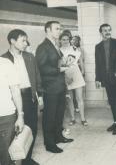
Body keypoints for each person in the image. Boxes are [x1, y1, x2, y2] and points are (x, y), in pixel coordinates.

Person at [2, 29, 43, 165]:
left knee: (32, 129)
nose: (26, 43)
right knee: (16, 132)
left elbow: (37, 77)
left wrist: (40, 95)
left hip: (30, 96)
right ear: (12, 41)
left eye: (26, 40)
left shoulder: (29, 56)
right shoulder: (4, 59)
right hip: (14, 100)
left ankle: (27, 158)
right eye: (22, 40)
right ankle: (14, 160)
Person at [35, 21, 73, 154]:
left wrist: (65, 63)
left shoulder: (55, 45)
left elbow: (55, 63)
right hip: (50, 88)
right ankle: (50, 143)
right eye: (57, 29)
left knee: (59, 114)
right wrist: (59, 69)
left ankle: (58, 136)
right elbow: (42, 68)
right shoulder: (43, 47)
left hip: (60, 86)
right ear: (48, 30)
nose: (59, 31)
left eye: (60, 28)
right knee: (49, 116)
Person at [95, 23, 116, 135]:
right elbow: (98, 64)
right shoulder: (98, 47)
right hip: (106, 78)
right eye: (104, 30)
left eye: (108, 30)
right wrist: (97, 79)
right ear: (101, 32)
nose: (107, 32)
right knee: (112, 101)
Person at [59, 32, 87, 126]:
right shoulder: (58, 51)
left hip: (76, 73)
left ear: (70, 40)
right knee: (69, 99)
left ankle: (83, 119)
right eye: (63, 39)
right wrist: (64, 76)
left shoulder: (74, 48)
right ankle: (73, 118)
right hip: (66, 75)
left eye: (67, 39)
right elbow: (59, 65)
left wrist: (83, 71)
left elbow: (80, 61)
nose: (66, 41)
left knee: (79, 98)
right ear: (60, 40)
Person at [0, 57, 24, 165]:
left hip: (6, 117)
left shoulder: (5, 63)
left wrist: (20, 116)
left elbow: (16, 92)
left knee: (6, 157)